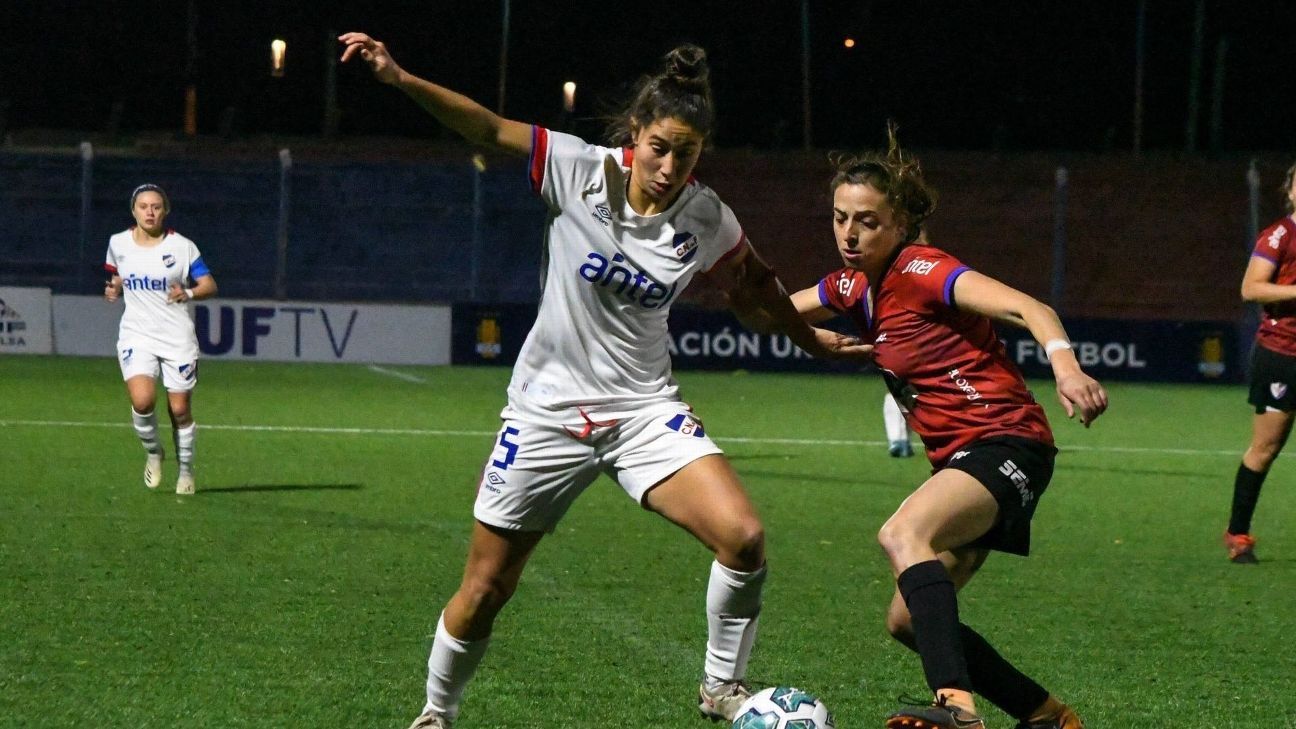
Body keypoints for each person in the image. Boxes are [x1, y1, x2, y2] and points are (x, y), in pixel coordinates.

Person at [337, 32, 870, 729]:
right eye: (660, 146)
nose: (671, 165)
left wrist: (813, 342)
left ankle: (721, 689)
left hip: (643, 409)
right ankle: (437, 712)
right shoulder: (575, 167)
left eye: (688, 153)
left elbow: (761, 287)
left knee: (742, 535)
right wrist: (401, 77)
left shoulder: (706, 217)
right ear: (635, 134)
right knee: (487, 586)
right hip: (545, 413)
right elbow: (487, 126)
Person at [730, 127, 1106, 729]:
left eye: (867, 221)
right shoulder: (852, 285)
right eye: (839, 218)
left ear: (899, 223)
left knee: (903, 533)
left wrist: (1065, 365)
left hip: (1007, 444)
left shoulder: (924, 267)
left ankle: (956, 709)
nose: (849, 234)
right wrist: (743, 279)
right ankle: (1047, 716)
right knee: (907, 620)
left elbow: (1030, 308)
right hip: (963, 462)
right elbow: (768, 314)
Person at [104, 184, 217, 496]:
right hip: (136, 333)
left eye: (156, 206)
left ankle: (186, 470)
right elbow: (118, 276)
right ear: (134, 211)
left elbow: (209, 284)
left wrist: (189, 292)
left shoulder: (182, 247)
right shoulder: (118, 243)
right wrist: (115, 289)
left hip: (176, 338)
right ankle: (154, 452)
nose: (150, 212)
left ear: (165, 211)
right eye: (143, 206)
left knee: (179, 410)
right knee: (142, 401)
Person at [1225, 160, 1296, 564]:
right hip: (1282, 356)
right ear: (1290, 191)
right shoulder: (1280, 236)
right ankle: (1238, 534)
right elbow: (1250, 288)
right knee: (1266, 447)